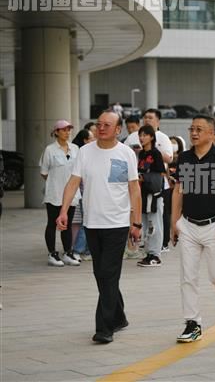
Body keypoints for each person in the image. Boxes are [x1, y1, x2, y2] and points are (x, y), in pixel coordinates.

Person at [56, 110, 142, 344]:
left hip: (117, 223)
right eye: (99, 124)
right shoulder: (85, 152)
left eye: (107, 125)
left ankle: (105, 328)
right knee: (102, 274)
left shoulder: (126, 153)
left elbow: (134, 189)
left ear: (118, 129)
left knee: (108, 273)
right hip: (92, 223)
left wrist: (136, 222)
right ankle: (119, 316)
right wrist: (63, 211)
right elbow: (73, 182)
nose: (101, 128)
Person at [171, 115, 215, 343]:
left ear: (212, 134)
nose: (194, 133)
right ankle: (192, 323)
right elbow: (178, 190)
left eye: (199, 129)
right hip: (188, 225)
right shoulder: (184, 157)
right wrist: (174, 222)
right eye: (192, 129)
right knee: (188, 277)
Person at [40, 120, 81, 267]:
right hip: (54, 193)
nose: (67, 132)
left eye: (69, 130)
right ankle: (52, 254)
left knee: (67, 224)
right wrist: (56, 182)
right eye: (63, 130)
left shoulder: (75, 148)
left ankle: (67, 253)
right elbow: (44, 172)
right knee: (52, 223)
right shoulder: (50, 150)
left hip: (72, 194)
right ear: (56, 132)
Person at [136, 125, 166, 267]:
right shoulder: (142, 153)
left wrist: (144, 177)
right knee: (146, 224)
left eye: (145, 135)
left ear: (152, 137)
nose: (141, 138)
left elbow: (160, 174)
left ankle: (155, 254)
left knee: (155, 224)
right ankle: (148, 253)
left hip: (154, 195)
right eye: (140, 135)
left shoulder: (155, 154)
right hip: (143, 194)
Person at [71, 129, 96, 261]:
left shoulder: (87, 152)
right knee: (86, 222)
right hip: (84, 193)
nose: (94, 140)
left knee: (88, 222)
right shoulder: (81, 153)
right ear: (85, 140)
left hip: (89, 193)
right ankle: (77, 250)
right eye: (91, 138)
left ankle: (87, 249)